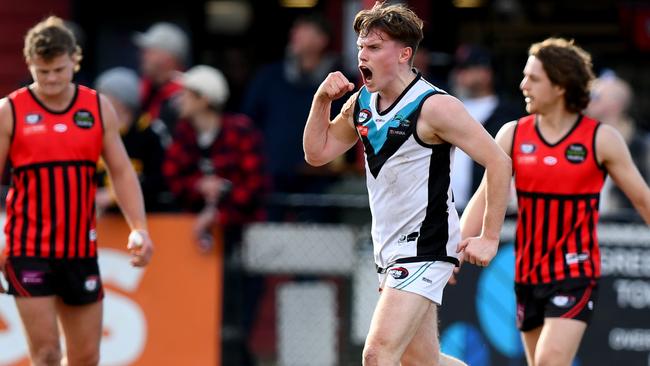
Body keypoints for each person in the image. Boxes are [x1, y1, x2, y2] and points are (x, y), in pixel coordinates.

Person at [302, 3, 511, 365]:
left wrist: (490, 237)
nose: (362, 55)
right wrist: (321, 101)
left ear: (404, 54)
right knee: (421, 362)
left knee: (378, 354)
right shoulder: (361, 102)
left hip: (425, 247)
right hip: (388, 248)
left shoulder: (435, 106)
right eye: (361, 47)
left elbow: (498, 161)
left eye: (374, 47)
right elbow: (317, 153)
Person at [461, 38, 650, 366]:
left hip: (575, 273)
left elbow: (643, 200)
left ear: (561, 85)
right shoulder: (512, 134)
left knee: (550, 362)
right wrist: (452, 253)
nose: (523, 85)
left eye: (533, 78)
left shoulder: (600, 138)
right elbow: (483, 197)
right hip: (526, 273)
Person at [0, 16, 154, 366]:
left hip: (79, 250)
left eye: (58, 70)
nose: (51, 80)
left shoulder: (97, 108)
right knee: (47, 354)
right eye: (42, 72)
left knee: (86, 357)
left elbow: (122, 172)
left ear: (74, 60)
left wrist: (139, 229)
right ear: (30, 66)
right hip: (28, 250)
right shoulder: (10, 111)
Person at [161, 65, 267, 365]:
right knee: (194, 313)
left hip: (239, 239)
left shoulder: (240, 131)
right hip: (195, 243)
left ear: (204, 99)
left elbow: (255, 187)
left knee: (236, 320)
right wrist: (199, 185)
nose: (179, 100)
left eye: (186, 94)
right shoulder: (183, 134)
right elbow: (173, 179)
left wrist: (221, 205)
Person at [242, 14, 353, 210]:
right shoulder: (269, 77)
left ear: (321, 40)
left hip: (322, 181)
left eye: (302, 30)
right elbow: (247, 123)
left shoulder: (343, 83)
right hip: (273, 178)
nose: (294, 34)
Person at [449, 44, 523, 208]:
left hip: (484, 210)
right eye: (459, 68)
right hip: (444, 211)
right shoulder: (445, 107)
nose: (459, 74)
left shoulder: (508, 114)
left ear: (486, 72)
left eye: (467, 68)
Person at [94, 67, 172, 213]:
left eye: (104, 95)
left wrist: (115, 195)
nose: (98, 100)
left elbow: (160, 179)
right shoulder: (95, 132)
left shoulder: (149, 133)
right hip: (104, 221)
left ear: (121, 101)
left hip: (147, 218)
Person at [586, 73, 650, 213]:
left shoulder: (643, 147)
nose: (588, 101)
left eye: (595, 96)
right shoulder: (580, 143)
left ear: (615, 105)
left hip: (630, 229)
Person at [133, 21, 189, 132]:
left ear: (167, 58)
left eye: (149, 51)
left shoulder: (185, 96)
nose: (143, 56)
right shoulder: (142, 89)